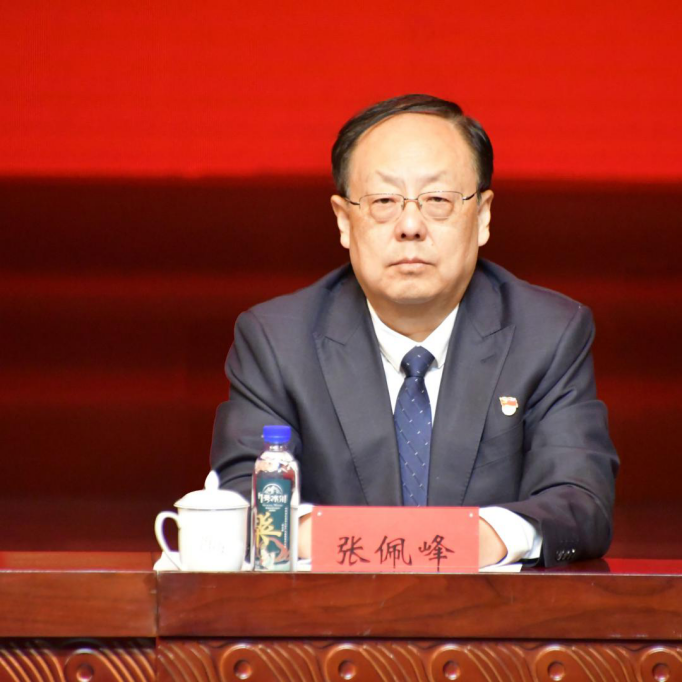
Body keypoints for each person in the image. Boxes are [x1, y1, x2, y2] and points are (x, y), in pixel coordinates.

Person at [210, 94, 618, 567]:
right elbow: (242, 498)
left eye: (437, 200)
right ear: (344, 221)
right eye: (384, 201)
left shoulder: (547, 334)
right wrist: (407, 546)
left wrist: (479, 539)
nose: (409, 225)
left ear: (483, 216)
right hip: (331, 611)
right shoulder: (277, 341)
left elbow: (579, 499)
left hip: (492, 612)